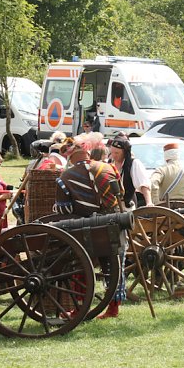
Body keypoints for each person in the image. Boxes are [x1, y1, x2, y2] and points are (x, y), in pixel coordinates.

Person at [53, 133, 125, 319]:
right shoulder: (108, 168)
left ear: (70, 157)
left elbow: (63, 209)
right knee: (113, 267)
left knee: (81, 268)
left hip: (86, 229)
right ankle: (113, 309)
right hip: (114, 223)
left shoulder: (65, 177)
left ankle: (79, 309)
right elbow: (121, 194)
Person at [107, 134, 152, 209]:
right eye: (112, 153)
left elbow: (143, 184)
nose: (113, 156)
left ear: (125, 152)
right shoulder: (108, 163)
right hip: (111, 206)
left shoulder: (134, 164)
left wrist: (149, 202)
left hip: (127, 206)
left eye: (117, 153)